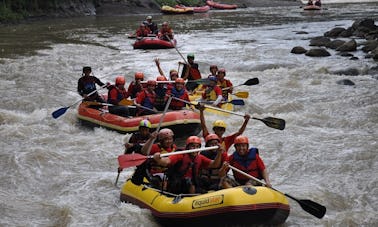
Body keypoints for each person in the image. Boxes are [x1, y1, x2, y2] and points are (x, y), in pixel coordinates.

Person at [153, 136, 223, 194]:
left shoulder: (200, 158)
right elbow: (166, 161)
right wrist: (158, 159)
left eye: (197, 146)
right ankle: (192, 199)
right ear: (187, 147)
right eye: (192, 146)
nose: (195, 149)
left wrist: (219, 153)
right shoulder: (180, 155)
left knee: (203, 181)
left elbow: (214, 164)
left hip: (192, 184)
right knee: (188, 181)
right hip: (177, 185)